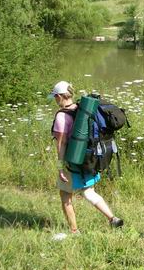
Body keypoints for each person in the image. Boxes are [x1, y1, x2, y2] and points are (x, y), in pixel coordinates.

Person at [49, 81, 123, 233]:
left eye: (55, 97)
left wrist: (60, 168)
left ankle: (74, 231)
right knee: (89, 192)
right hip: (88, 160)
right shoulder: (81, 110)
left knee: (65, 196)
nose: (55, 100)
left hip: (72, 162)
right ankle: (112, 218)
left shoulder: (61, 117)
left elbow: (61, 145)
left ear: (59, 96)